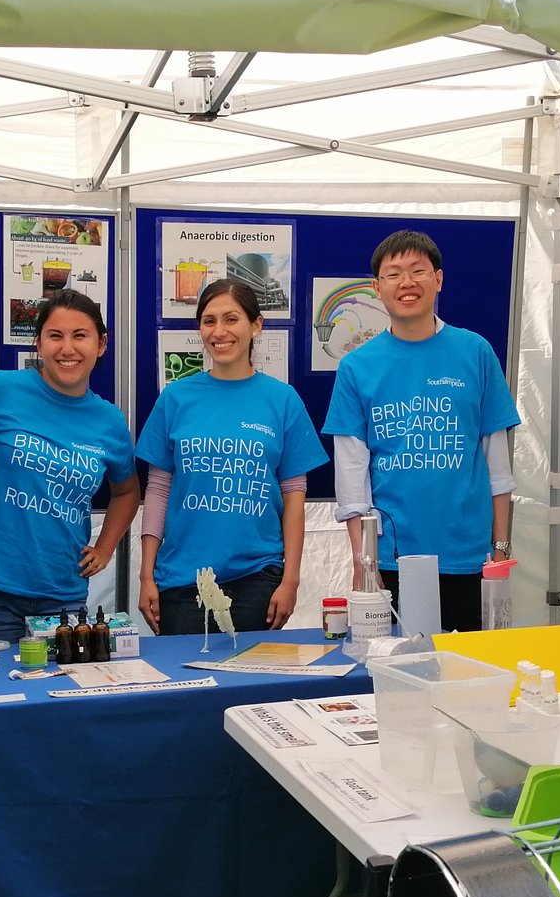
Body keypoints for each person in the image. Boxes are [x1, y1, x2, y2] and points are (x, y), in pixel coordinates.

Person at [321, 229, 518, 633]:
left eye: (418, 271)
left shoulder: (476, 352)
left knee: (465, 667)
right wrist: (364, 563)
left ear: (438, 279)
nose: (406, 283)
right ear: (377, 287)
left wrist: (500, 548)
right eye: (394, 274)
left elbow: (497, 466)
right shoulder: (356, 367)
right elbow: (352, 476)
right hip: (393, 561)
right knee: (395, 664)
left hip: (468, 558)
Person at [136, 279, 327, 635]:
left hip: (258, 578)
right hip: (182, 580)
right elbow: (158, 490)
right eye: (209, 321)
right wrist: (146, 575)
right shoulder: (175, 398)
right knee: (186, 672)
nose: (219, 331)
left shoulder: (283, 400)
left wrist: (291, 579)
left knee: (253, 673)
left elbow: (294, 496)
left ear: (256, 325)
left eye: (231, 319)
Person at [0, 290, 140, 643]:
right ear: (39, 344)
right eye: (55, 336)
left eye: (80, 335)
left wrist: (105, 548)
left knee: (61, 678)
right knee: (0, 679)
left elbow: (128, 491)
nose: (67, 348)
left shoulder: (109, 421)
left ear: (101, 344)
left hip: (63, 592)